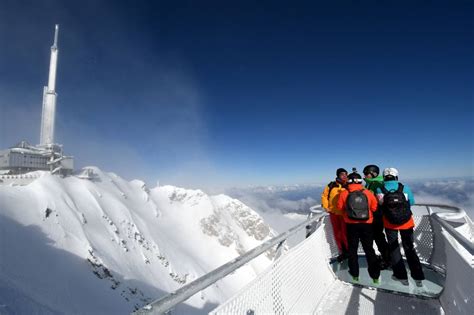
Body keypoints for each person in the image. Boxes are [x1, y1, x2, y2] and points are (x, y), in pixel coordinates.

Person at [376, 167, 425, 286]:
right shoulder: (405, 188)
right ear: (396, 176)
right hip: (406, 222)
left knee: (394, 249)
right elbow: (412, 202)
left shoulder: (379, 189)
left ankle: (401, 276)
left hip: (389, 223)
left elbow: (380, 204)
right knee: (409, 248)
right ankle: (418, 277)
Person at [337, 170, 380, 284]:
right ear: (360, 181)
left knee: (352, 250)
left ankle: (355, 275)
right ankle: (375, 276)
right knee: (369, 250)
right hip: (367, 224)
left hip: (351, 225)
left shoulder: (344, 193)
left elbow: (340, 208)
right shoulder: (368, 192)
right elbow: (375, 207)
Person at [363, 164, 390, 269]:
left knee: (378, 237)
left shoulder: (377, 184)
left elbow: (374, 200)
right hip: (375, 214)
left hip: (377, 215)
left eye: (366, 173)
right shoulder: (371, 183)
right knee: (378, 236)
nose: (364, 175)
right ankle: (386, 257)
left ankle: (387, 259)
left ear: (373, 173)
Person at [321, 168, 349, 262]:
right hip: (334, 213)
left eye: (346, 174)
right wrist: (326, 206)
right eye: (342, 174)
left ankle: (348, 251)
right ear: (338, 175)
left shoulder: (349, 185)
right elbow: (324, 196)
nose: (344, 176)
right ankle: (342, 251)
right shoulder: (331, 185)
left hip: (345, 214)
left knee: (346, 233)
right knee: (337, 233)